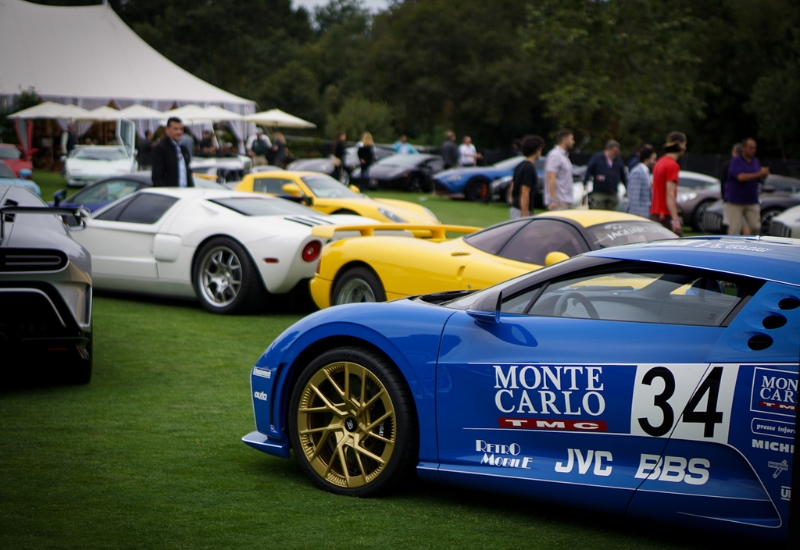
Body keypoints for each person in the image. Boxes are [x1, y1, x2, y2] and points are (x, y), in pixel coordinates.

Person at [725, 137, 769, 235]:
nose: (753, 150)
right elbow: (740, 177)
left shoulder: (755, 161)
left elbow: (758, 179)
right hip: (735, 201)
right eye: (750, 148)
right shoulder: (736, 161)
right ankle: (732, 248)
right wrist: (759, 174)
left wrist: (763, 175)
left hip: (751, 200)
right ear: (743, 148)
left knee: (755, 227)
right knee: (735, 229)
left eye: (754, 148)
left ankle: (751, 247)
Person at [650, 131, 687, 236]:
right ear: (679, 144)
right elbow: (670, 193)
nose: (685, 147)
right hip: (665, 215)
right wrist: (675, 220)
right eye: (684, 144)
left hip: (655, 213)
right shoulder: (672, 165)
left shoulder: (659, 162)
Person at [151, 117, 194, 188]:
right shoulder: (160, 149)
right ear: (167, 130)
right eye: (175, 129)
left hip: (185, 193)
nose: (179, 132)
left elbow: (187, 173)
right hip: (169, 194)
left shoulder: (183, 149)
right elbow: (157, 176)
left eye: (181, 129)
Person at [508, 135, 545, 219]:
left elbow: (512, 187)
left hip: (514, 208)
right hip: (521, 210)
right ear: (537, 150)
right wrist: (525, 216)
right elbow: (525, 192)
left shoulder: (519, 166)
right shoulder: (530, 168)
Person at [584, 140, 627, 210]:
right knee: (598, 212)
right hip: (599, 192)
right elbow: (589, 170)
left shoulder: (618, 161)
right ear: (609, 149)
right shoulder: (597, 158)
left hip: (612, 192)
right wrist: (585, 183)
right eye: (614, 150)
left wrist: (626, 186)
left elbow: (623, 174)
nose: (616, 153)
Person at [544, 129, 576, 210]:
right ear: (564, 140)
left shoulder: (564, 156)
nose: (573, 142)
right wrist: (553, 200)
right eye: (571, 139)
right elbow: (551, 177)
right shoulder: (555, 155)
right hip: (559, 202)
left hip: (567, 200)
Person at [626, 146, 657, 218]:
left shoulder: (645, 172)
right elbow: (634, 196)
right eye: (654, 159)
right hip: (639, 214)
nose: (655, 162)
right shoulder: (637, 172)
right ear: (646, 159)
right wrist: (636, 214)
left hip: (645, 214)